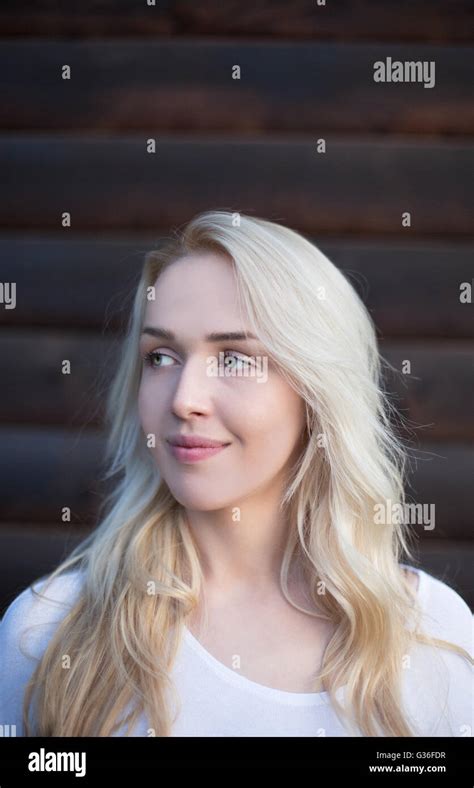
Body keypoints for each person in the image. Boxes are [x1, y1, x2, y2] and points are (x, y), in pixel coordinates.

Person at [0, 211, 472, 737]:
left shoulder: (436, 639)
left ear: (316, 392)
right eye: (161, 357)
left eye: (235, 359)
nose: (184, 399)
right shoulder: (47, 630)